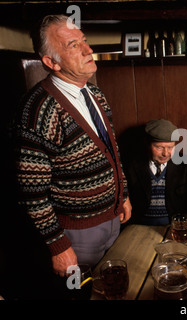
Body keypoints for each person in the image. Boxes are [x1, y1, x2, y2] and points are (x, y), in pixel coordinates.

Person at [14, 15, 132, 278]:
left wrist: (122, 195)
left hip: (112, 219)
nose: (88, 50)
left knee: (111, 291)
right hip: (76, 234)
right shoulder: (38, 109)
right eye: (73, 45)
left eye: (85, 41)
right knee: (82, 293)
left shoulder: (96, 95)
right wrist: (58, 246)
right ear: (51, 62)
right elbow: (32, 192)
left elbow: (112, 153)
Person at [125, 119, 187, 226]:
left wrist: (184, 226)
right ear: (147, 144)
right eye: (159, 147)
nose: (165, 153)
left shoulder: (186, 164)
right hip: (139, 226)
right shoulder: (131, 164)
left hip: (175, 227)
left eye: (170, 147)